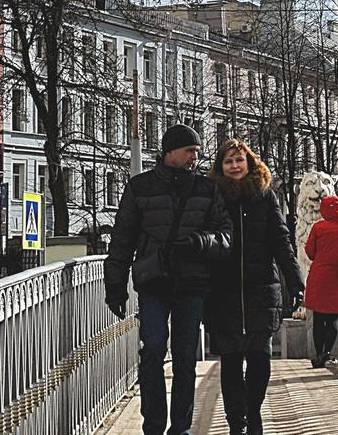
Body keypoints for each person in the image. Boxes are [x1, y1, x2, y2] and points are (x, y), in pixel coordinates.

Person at [105, 124, 233, 435]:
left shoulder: (206, 189)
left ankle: (181, 428)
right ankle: (153, 426)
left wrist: (201, 243)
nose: (195, 157)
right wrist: (115, 287)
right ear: (170, 152)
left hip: (192, 284)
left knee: (186, 357)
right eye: (190, 151)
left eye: (197, 152)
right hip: (154, 284)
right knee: (153, 351)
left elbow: (226, 236)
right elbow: (123, 240)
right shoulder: (140, 188)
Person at [205, 139, 305, 435]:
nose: (234, 166)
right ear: (220, 167)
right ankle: (237, 422)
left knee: (261, 359)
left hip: (261, 288)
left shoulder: (265, 195)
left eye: (239, 160)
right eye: (228, 161)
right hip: (224, 292)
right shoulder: (213, 197)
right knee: (232, 361)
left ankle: (253, 412)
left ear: (249, 163)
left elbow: (280, 240)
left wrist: (296, 280)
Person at [302, 193, 338, 368]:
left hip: (318, 276)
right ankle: (326, 353)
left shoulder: (318, 227)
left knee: (318, 319)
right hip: (336, 277)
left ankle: (318, 355)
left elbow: (309, 252)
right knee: (332, 320)